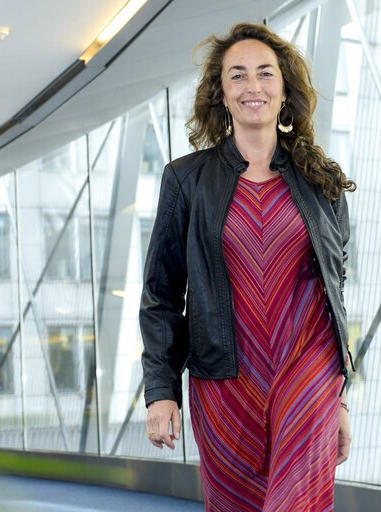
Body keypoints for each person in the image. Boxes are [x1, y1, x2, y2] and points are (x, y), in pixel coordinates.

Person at [139, 22, 356, 511]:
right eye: (237, 76)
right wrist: (160, 390)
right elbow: (162, 293)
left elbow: (336, 293)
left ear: (284, 89)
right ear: (222, 93)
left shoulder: (323, 183)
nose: (252, 86)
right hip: (224, 381)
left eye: (265, 73)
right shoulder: (186, 179)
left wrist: (340, 397)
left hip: (309, 368)